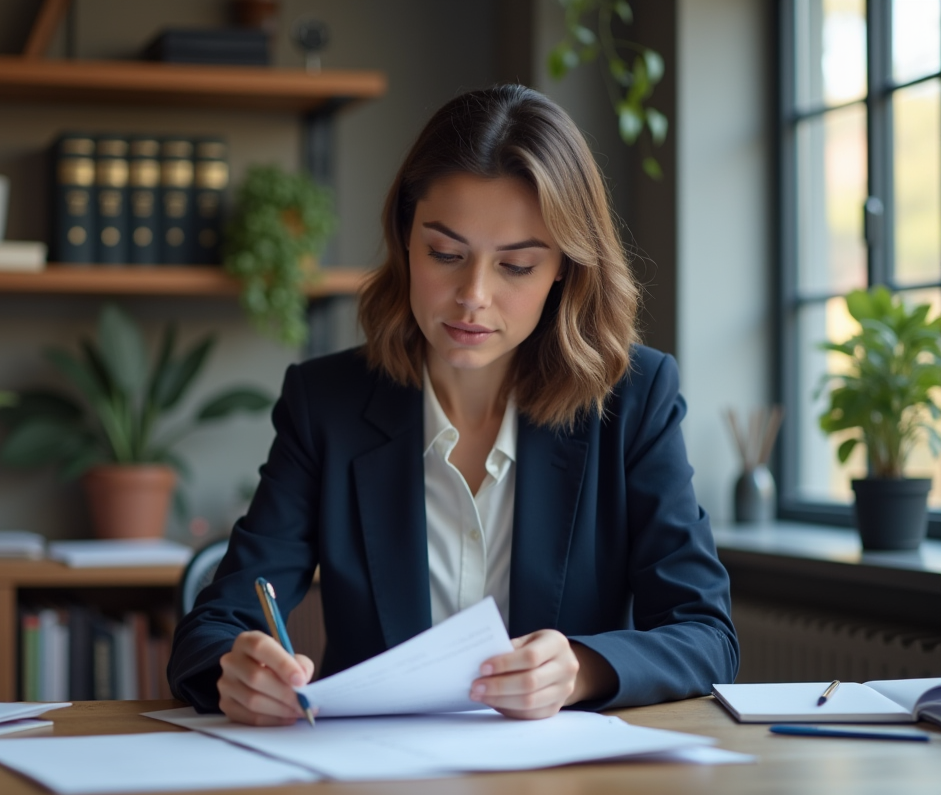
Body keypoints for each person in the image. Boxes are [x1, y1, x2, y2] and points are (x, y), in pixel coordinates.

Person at [169, 84, 738, 726]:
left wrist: (581, 668)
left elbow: (706, 636)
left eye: (516, 266)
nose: (473, 296)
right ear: (405, 239)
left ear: (564, 271)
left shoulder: (633, 399)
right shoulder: (325, 403)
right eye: (445, 254)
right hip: (375, 774)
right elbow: (213, 626)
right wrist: (235, 670)